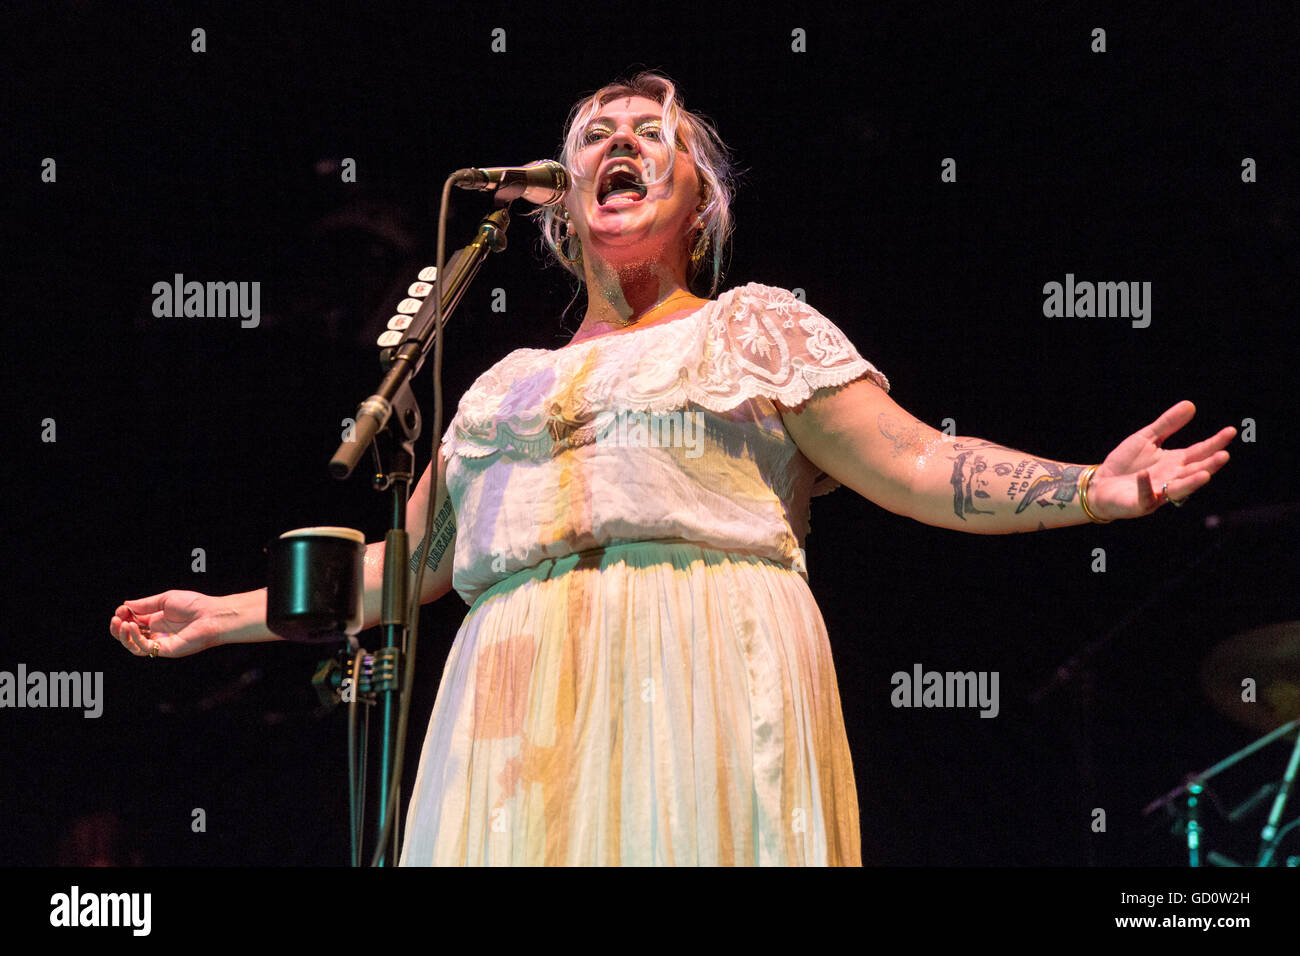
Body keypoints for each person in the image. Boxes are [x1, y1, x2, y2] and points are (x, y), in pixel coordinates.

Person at [110, 72, 1236, 866]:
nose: (620, 141)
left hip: (701, 664)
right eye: (595, 129)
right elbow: (405, 571)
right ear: (558, 196)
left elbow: (917, 462)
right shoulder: (501, 382)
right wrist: (226, 616)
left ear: (701, 198)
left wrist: (1095, 484)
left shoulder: (755, 327)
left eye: (654, 131)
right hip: (511, 684)